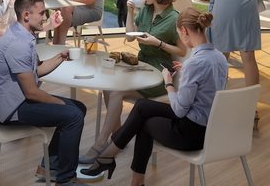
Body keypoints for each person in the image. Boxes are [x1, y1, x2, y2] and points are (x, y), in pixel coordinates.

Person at [81, 9, 227, 184]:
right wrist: (186, 71)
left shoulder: (195, 63)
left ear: (185, 31)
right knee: (142, 106)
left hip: (191, 134)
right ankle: (110, 159)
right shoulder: (219, 57)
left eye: (180, 34)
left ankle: (110, 160)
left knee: (143, 122)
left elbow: (180, 110)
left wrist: (169, 84)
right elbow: (206, 85)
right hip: (211, 127)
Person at [81, 0, 187, 164]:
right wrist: (130, 11)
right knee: (108, 86)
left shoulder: (174, 18)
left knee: (117, 92)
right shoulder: (146, 9)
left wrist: (159, 43)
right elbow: (130, 35)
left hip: (159, 73)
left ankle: (101, 144)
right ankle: (118, 134)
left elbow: (181, 50)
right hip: (141, 64)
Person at [0, 0, 83, 185]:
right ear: (26, 15)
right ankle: (66, 180)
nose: (45, 18)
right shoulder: (19, 44)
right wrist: (60, 103)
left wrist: (60, 57)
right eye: (41, 13)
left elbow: (35, 71)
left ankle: (51, 167)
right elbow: (32, 92)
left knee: (78, 107)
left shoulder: (18, 33)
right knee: (73, 115)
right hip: (11, 109)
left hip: (14, 99)